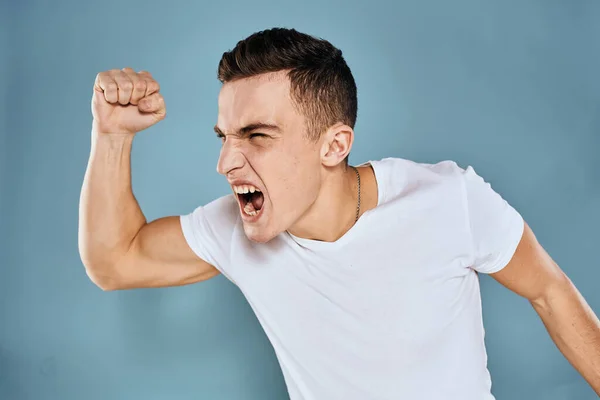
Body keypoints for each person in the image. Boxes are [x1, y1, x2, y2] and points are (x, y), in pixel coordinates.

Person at [78, 28, 600, 399]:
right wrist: (112, 136)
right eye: (226, 137)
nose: (225, 163)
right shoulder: (236, 227)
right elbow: (114, 261)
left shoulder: (448, 199)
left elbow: (549, 291)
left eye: (256, 135)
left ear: (334, 145)